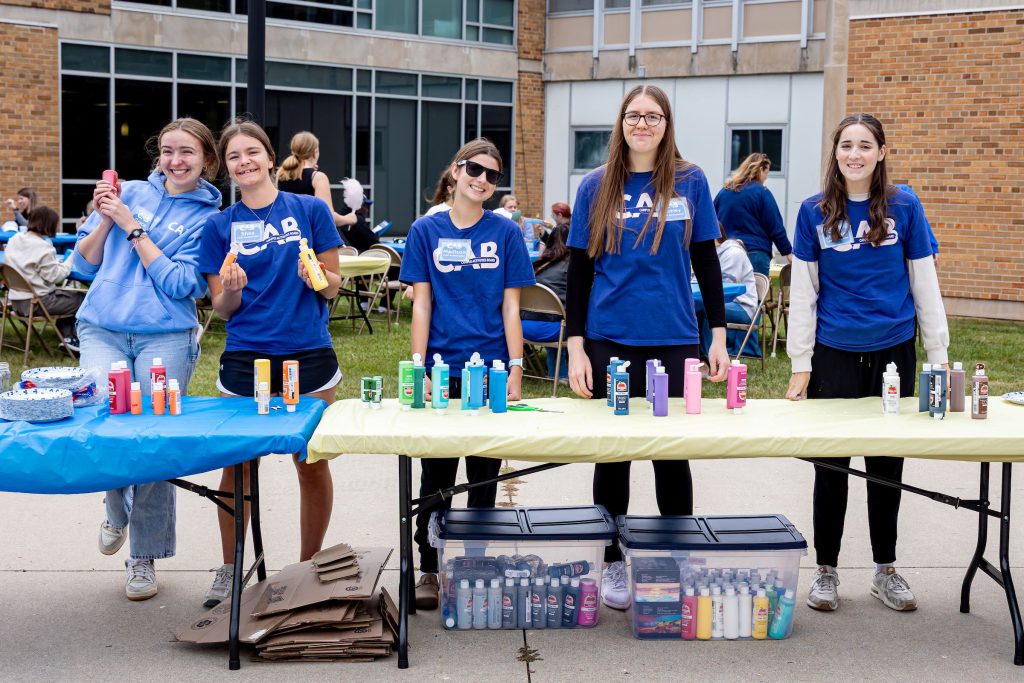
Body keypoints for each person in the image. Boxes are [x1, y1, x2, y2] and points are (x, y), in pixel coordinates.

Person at [565, 84, 729, 609]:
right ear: (621, 122)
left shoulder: (691, 181)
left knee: (670, 455)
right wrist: (574, 346)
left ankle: (673, 558)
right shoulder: (596, 185)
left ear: (666, 123)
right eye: (634, 115)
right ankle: (612, 561)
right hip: (609, 339)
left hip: (676, 338)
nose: (642, 124)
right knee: (613, 455)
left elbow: (706, 260)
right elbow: (579, 273)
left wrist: (718, 336)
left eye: (652, 116)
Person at [785, 113, 949, 613]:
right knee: (830, 465)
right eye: (845, 145)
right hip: (834, 354)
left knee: (885, 465)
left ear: (881, 152)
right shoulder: (814, 211)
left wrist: (936, 357)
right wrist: (801, 362)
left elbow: (924, 281)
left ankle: (885, 570)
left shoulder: (904, 205)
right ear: (835, 153)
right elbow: (804, 292)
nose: (854, 154)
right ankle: (827, 571)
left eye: (864, 145)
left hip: (893, 350)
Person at [73, 117, 222, 601]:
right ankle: (117, 509)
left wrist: (132, 228)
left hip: (166, 336)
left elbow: (184, 284)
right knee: (103, 421)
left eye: (187, 153)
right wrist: (103, 218)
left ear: (207, 161)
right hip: (103, 327)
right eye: (167, 151)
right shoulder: (130, 191)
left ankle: (144, 556)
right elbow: (81, 264)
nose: (175, 161)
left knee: (152, 439)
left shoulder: (211, 219)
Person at [199, 118, 343, 608]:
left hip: (308, 352)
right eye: (235, 156)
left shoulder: (308, 209)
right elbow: (220, 308)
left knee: (310, 462)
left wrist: (316, 278)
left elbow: (334, 285)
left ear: (268, 155)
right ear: (227, 167)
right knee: (237, 470)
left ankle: (309, 565)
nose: (245, 162)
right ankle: (230, 567)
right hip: (245, 357)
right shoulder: (218, 226)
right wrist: (232, 290)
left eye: (252, 152)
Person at [399, 138, 535, 610]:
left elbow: (510, 307)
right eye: (475, 169)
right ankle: (430, 569)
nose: (482, 180)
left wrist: (516, 369)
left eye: (492, 175)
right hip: (440, 369)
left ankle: (475, 564)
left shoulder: (506, 233)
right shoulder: (425, 230)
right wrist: (420, 369)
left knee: (482, 476)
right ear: (456, 170)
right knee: (436, 476)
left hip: (492, 372)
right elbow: (422, 303)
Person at [3, 206, 85, 349]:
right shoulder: (43, 247)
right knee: (82, 299)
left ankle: (68, 339)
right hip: (36, 304)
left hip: (16, 302)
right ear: (50, 224)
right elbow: (56, 277)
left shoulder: (14, 239)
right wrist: (71, 258)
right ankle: (72, 339)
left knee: (67, 297)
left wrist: (53, 264)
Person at [713, 153, 792, 276]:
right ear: (761, 169)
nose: (766, 178)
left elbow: (712, 222)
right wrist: (788, 252)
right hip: (755, 253)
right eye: (766, 173)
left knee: (727, 293)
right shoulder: (762, 193)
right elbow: (775, 226)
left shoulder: (724, 191)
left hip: (726, 254)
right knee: (754, 294)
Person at [276, 131, 357, 230]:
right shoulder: (317, 177)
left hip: (288, 235)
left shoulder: (281, 175)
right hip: (311, 238)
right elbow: (328, 217)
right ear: (315, 153)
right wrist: (349, 219)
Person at [700, 225, 759, 358]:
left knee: (706, 308)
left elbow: (726, 289)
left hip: (742, 305)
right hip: (727, 303)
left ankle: (708, 358)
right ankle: (696, 354)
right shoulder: (713, 252)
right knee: (694, 307)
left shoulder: (733, 253)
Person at [521, 222, 570, 378]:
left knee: (556, 315)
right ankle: (563, 375)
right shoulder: (571, 267)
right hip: (553, 330)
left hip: (523, 327)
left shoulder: (537, 265)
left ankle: (556, 374)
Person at [337, 178, 380, 252]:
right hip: (361, 257)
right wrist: (375, 235)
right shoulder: (358, 220)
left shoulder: (340, 218)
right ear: (358, 206)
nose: (367, 210)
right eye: (365, 206)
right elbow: (374, 242)